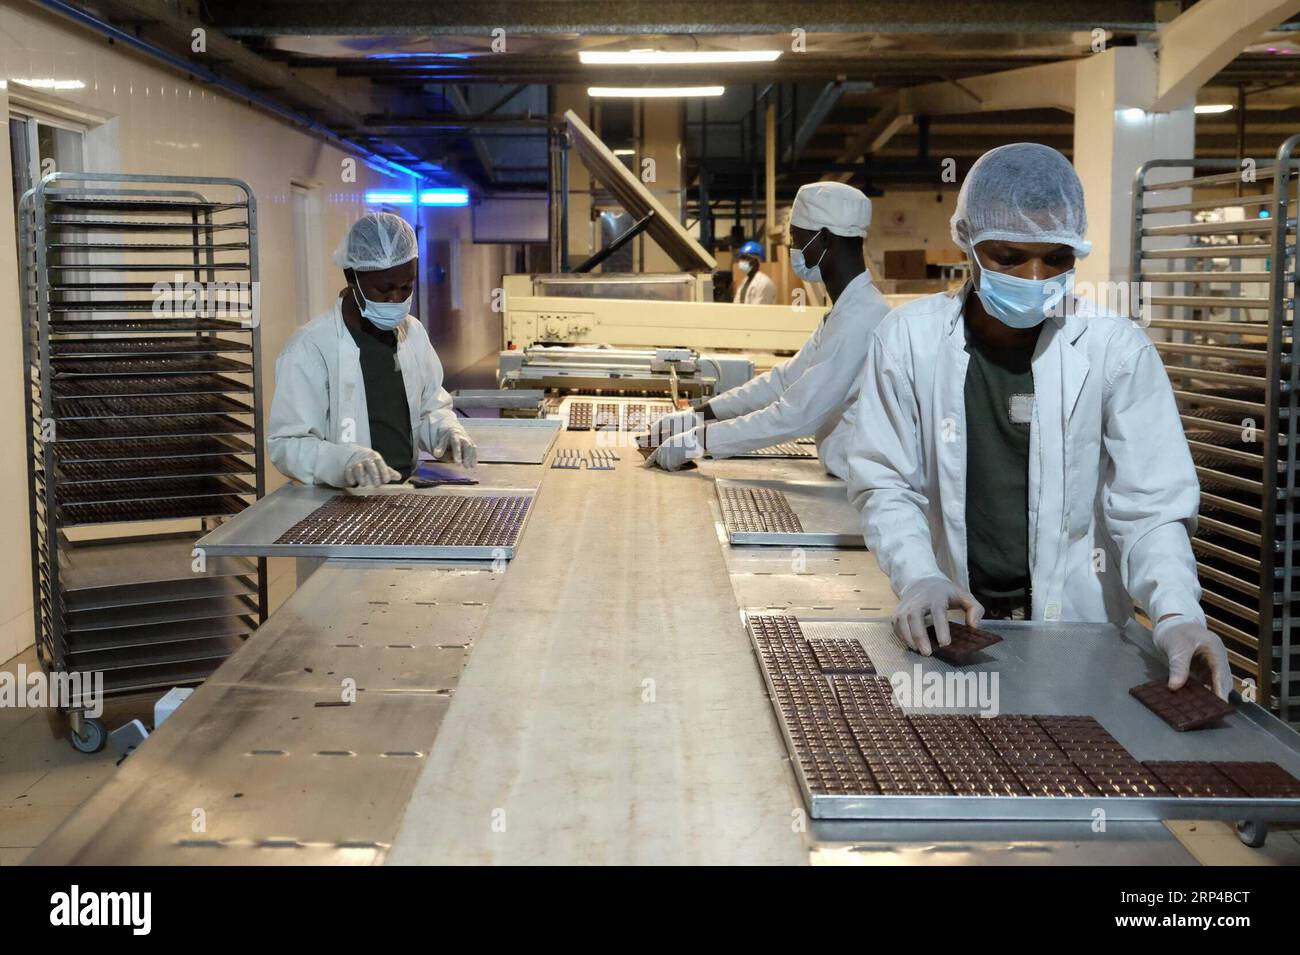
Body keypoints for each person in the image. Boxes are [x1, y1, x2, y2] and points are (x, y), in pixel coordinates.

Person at [845, 142, 1230, 699]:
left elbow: (1151, 508)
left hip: (1081, 628)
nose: (1033, 275)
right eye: (1007, 256)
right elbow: (886, 482)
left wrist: (1175, 612)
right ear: (968, 244)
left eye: (1056, 258)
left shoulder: (1115, 350)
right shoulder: (909, 340)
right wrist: (919, 576)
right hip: (953, 626)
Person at [646, 181, 891, 477]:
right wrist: (698, 414)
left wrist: (698, 440)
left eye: (798, 239)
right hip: (842, 477)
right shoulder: (843, 311)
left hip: (859, 490)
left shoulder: (863, 318)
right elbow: (784, 381)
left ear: (825, 239)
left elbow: (797, 414)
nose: (793, 249)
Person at [268, 212, 477, 488]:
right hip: (340, 501)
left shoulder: (412, 334)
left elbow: (429, 408)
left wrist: (447, 432)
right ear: (351, 276)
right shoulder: (310, 348)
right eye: (384, 289)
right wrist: (342, 461)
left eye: (406, 287)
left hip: (405, 490)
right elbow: (288, 444)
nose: (396, 299)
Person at [732, 240, 777, 305]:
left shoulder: (764, 283)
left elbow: (758, 311)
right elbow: (736, 304)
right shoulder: (745, 281)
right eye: (741, 258)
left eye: (745, 258)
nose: (741, 261)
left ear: (756, 261)